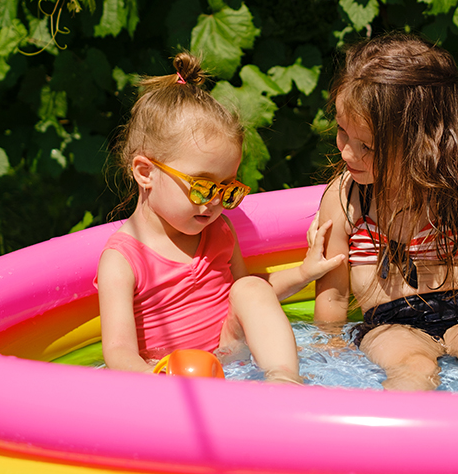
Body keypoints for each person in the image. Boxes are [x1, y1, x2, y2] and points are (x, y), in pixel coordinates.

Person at [312, 33, 458, 393]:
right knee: (411, 365)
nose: (346, 153)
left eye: (366, 147)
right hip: (390, 325)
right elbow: (334, 296)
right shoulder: (345, 199)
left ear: (420, 143)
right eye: (341, 132)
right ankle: (405, 445)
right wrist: (328, 350)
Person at [96, 52, 344, 384]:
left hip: (231, 353)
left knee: (249, 286)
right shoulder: (123, 259)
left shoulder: (218, 229)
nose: (215, 202)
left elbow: (247, 292)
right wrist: (161, 380)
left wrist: (303, 273)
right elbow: (118, 351)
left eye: (227, 189)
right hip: (171, 373)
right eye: (201, 186)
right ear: (146, 172)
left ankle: (284, 380)